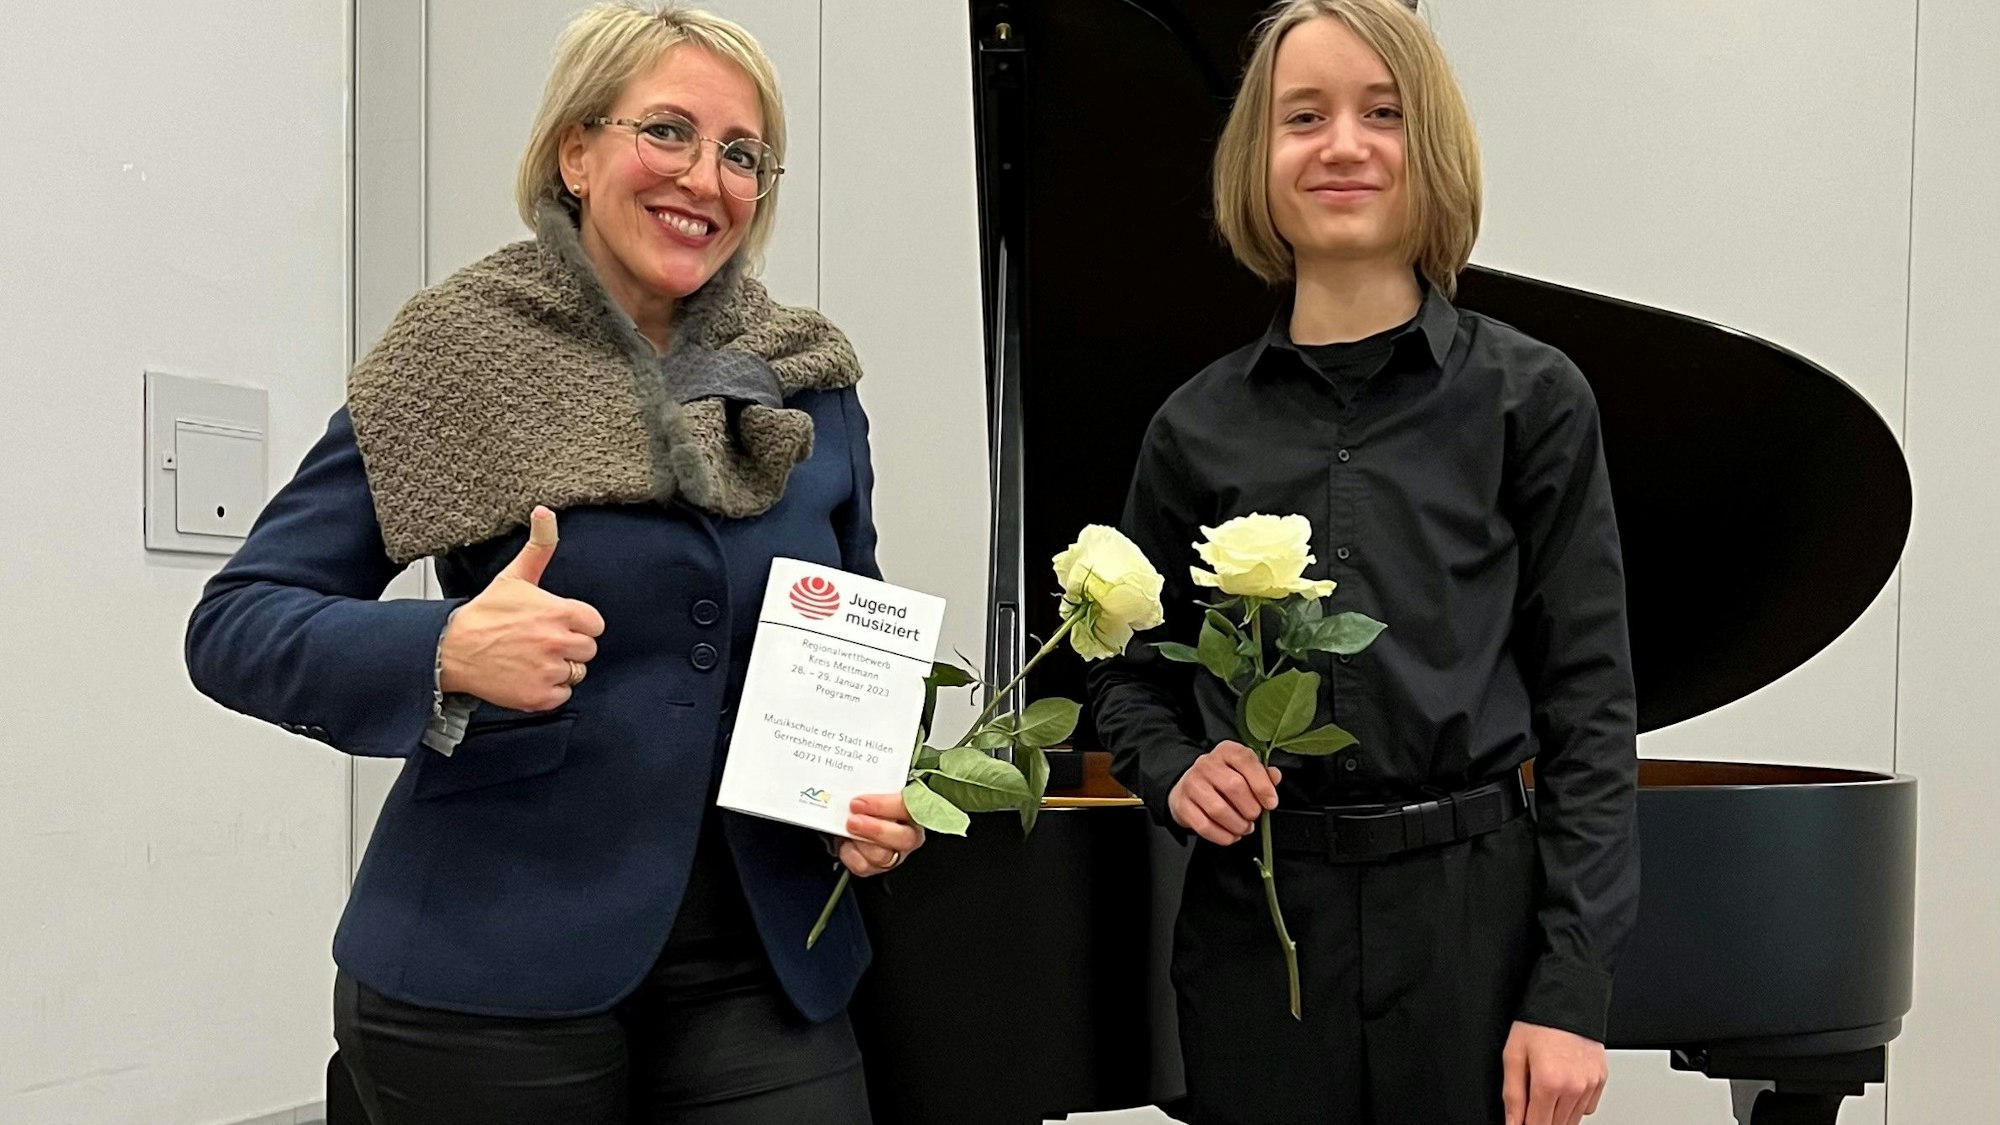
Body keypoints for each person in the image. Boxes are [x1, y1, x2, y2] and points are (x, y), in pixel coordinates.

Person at [184, 4, 919, 1121]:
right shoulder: (457, 356)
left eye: (740, 154)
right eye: (665, 131)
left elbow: (854, 637)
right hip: (489, 973)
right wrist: (443, 645)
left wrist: (876, 789)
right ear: (576, 151)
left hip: (765, 967)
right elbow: (237, 622)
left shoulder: (807, 381)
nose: (705, 179)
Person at [1086, 3, 1638, 1124]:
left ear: (1427, 147)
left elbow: (1587, 703)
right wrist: (1173, 767)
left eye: (1380, 114)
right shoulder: (1193, 429)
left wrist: (1569, 989)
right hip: (1259, 923)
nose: (1341, 144)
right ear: (1258, 159)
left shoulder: (1528, 400)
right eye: (1303, 116)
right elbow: (1121, 670)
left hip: (1469, 924)